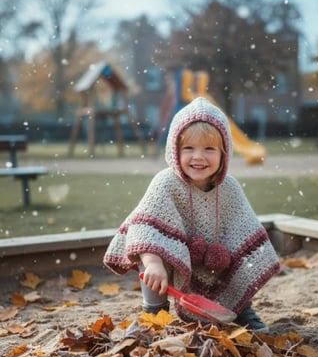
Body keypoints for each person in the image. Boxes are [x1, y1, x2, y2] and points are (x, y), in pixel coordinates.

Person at [103, 97, 280, 330]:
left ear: (224, 153)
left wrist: (237, 253)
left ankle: (241, 309)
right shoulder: (165, 183)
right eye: (189, 148)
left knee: (242, 256)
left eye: (209, 148)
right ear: (175, 151)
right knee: (153, 254)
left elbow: (242, 231)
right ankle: (154, 311)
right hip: (175, 261)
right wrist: (153, 262)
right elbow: (143, 230)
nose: (198, 156)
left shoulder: (230, 188)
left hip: (217, 261)